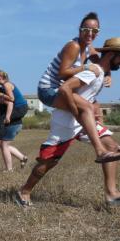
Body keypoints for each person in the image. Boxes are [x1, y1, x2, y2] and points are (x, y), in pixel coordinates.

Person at [16, 37, 120, 206]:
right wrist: (77, 111)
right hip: (66, 122)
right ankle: (24, 191)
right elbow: (65, 89)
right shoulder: (92, 71)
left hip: (84, 120)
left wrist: (96, 115)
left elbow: (90, 97)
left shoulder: (101, 73)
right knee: (49, 162)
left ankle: (111, 193)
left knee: (112, 147)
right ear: (112, 54)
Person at [37, 12, 120, 163]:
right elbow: (62, 73)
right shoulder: (73, 46)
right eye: (86, 30)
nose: (90, 34)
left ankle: (90, 134)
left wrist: (109, 75)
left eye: (95, 31)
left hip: (61, 88)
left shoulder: (89, 48)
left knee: (92, 107)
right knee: (87, 108)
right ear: (80, 29)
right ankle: (100, 151)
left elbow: (104, 62)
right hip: (48, 90)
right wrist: (86, 67)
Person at [0, 82, 28, 171]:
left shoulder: (0, 97)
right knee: (4, 145)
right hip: (14, 124)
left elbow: (10, 103)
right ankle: (22, 158)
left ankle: (9, 170)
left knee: (4, 145)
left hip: (13, 124)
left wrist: (7, 117)